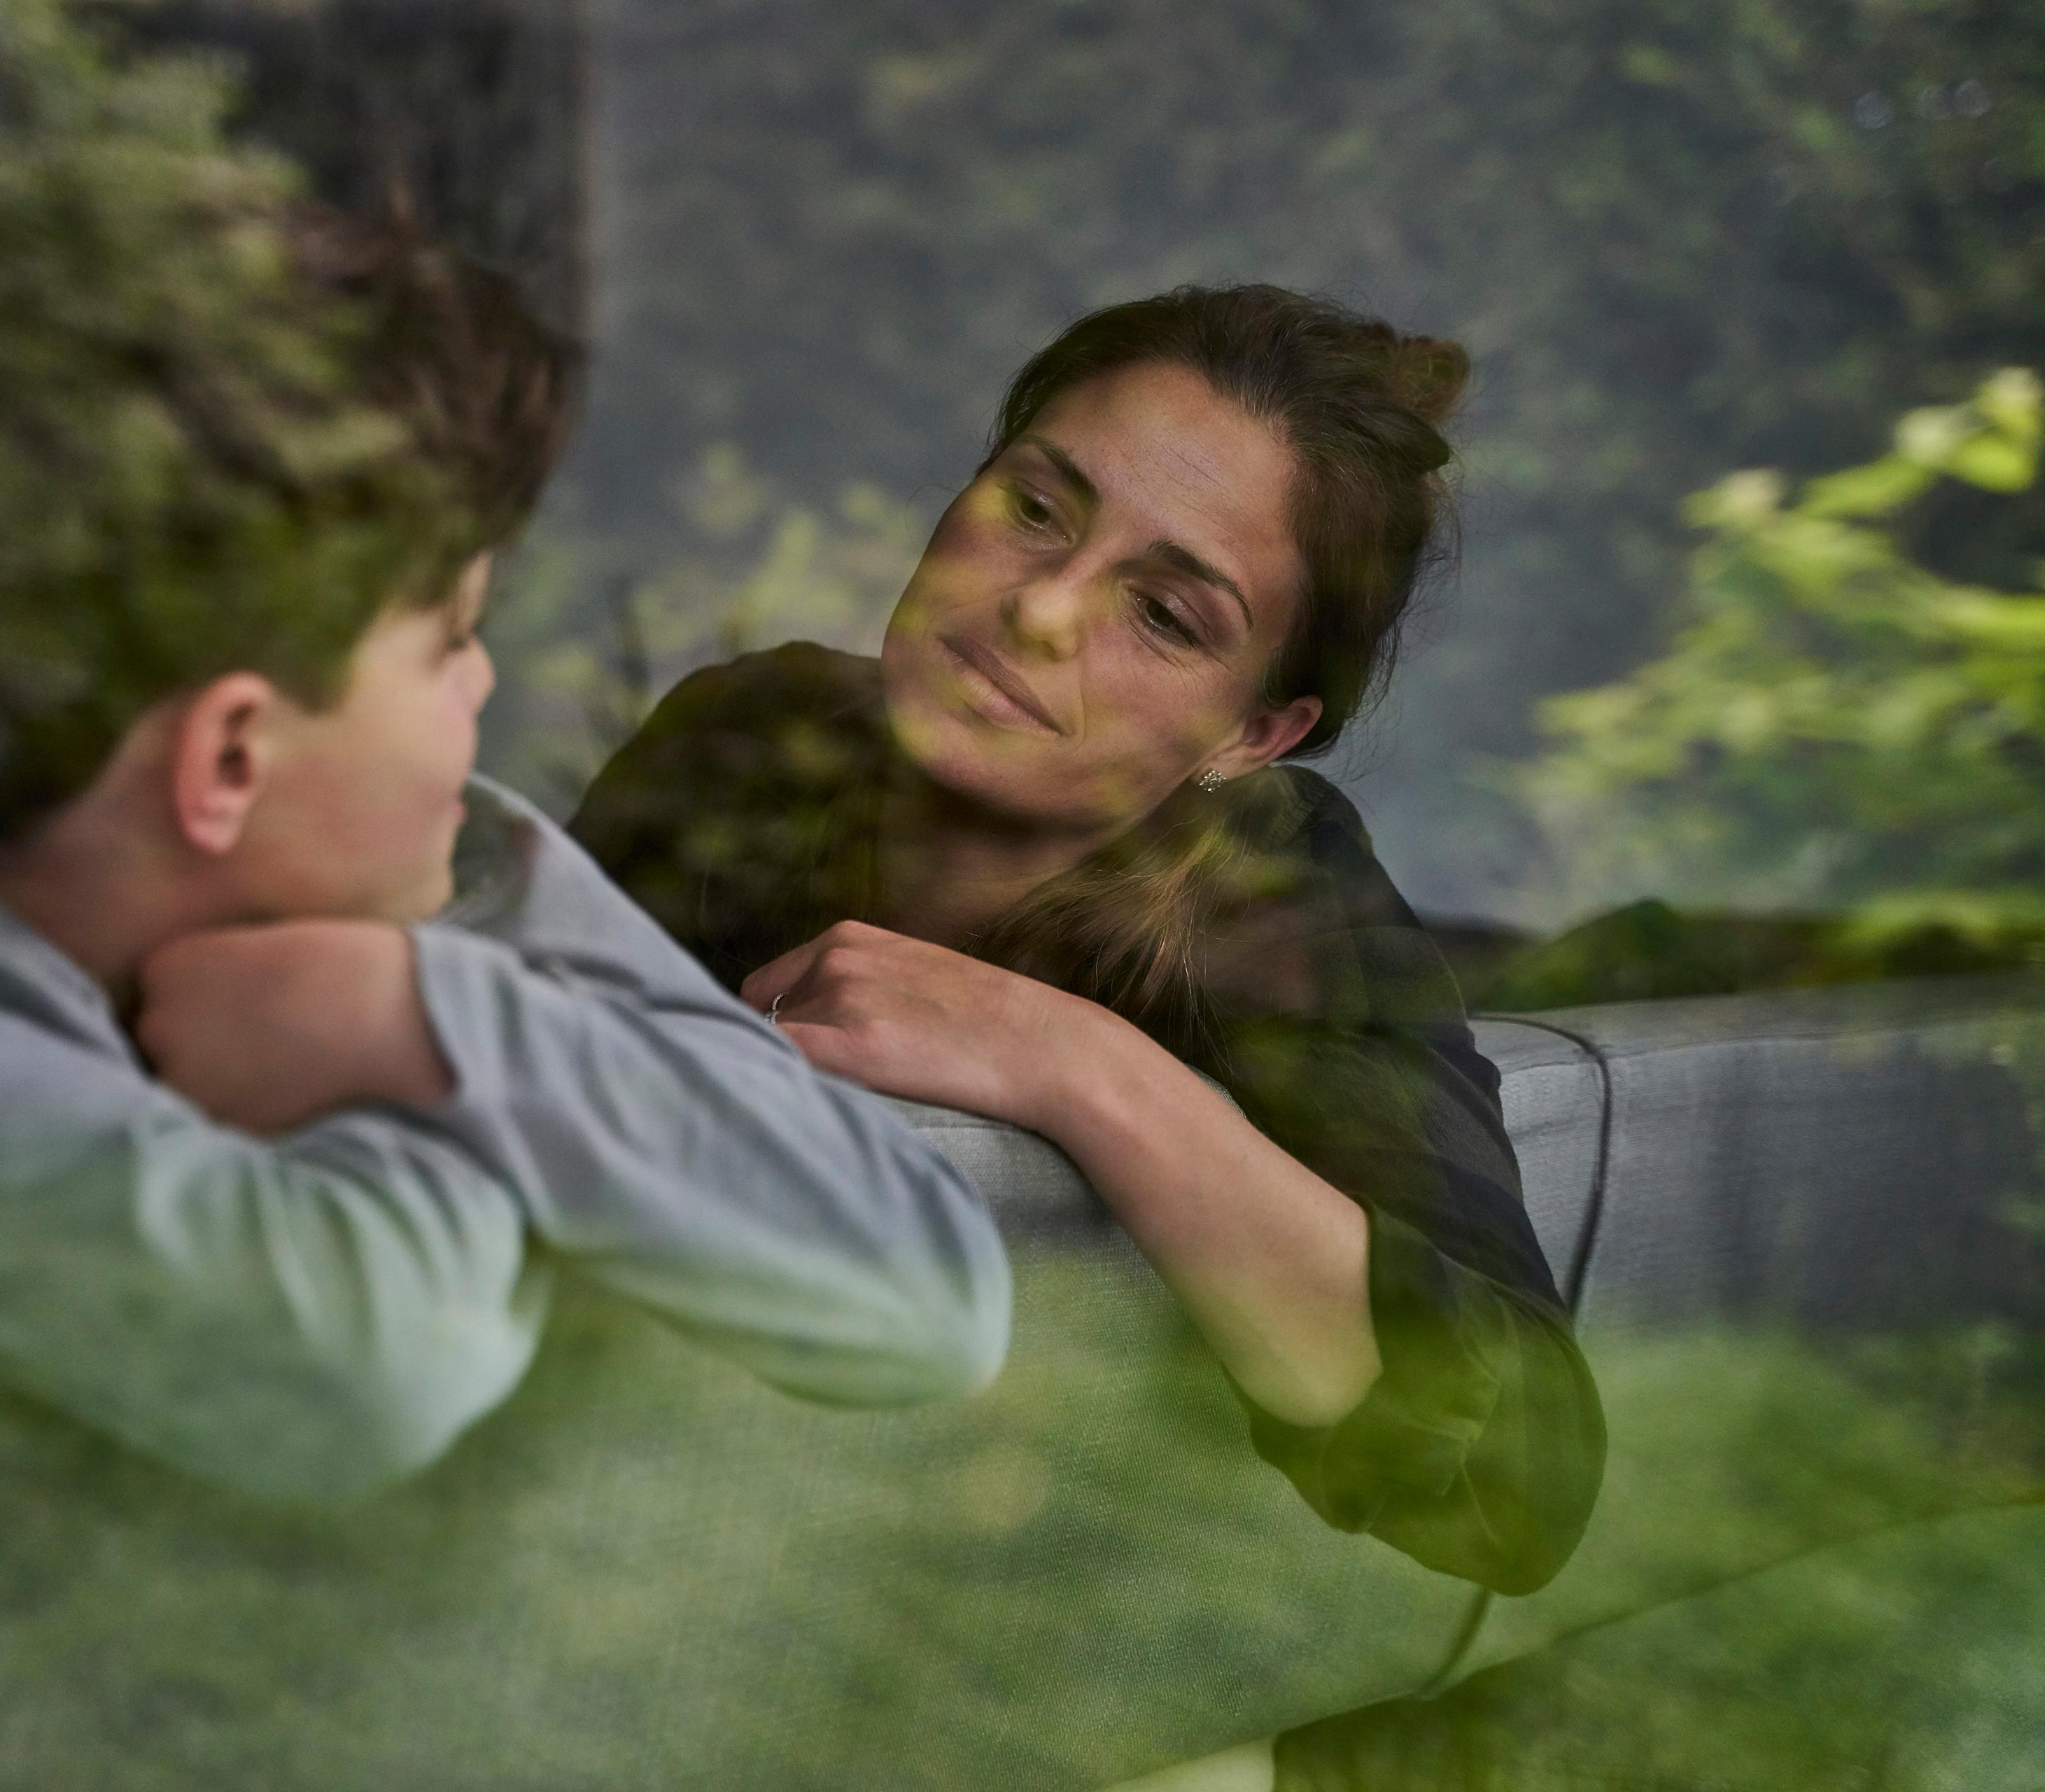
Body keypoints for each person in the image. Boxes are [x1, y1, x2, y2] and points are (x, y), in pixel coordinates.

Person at [0, 143, 1008, 1505]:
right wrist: (454, 1084)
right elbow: (369, 1357)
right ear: (231, 753)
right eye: (451, 638)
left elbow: (930, 1283)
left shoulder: (443, 881)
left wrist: (433, 1016)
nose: (484, 688)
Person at [570, 286, 1604, 1594]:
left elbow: (1520, 1480)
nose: (1045, 611)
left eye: (1168, 616)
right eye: (1037, 508)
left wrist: (1072, 1064)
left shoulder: (1277, 900)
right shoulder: (738, 741)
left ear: (1254, 737)